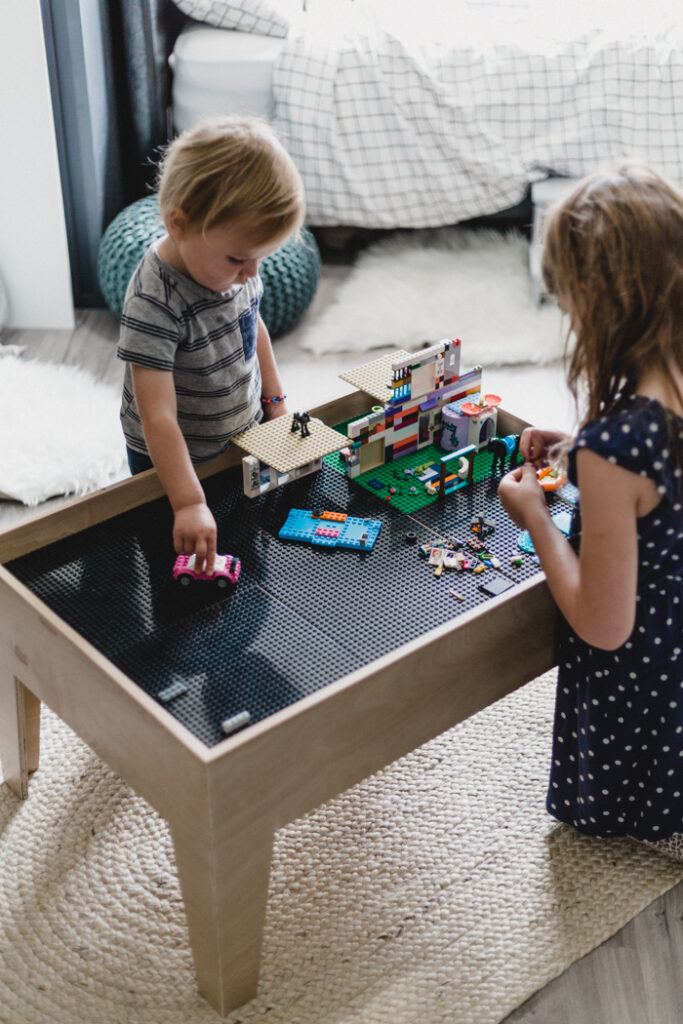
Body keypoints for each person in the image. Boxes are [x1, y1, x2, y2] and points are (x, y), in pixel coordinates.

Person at [497, 163, 683, 861]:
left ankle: (659, 822)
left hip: (644, 679)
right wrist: (578, 449)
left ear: (600, 309)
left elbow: (604, 627)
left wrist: (536, 519)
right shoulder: (646, 418)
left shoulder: (617, 449)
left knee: (640, 815)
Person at [117, 116, 305, 573]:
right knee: (181, 555)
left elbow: (252, 326)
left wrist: (275, 402)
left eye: (262, 257)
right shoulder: (154, 301)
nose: (253, 273)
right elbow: (157, 416)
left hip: (241, 427)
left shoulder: (235, 274)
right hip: (174, 458)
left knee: (240, 529)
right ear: (179, 224)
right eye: (240, 258)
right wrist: (186, 502)